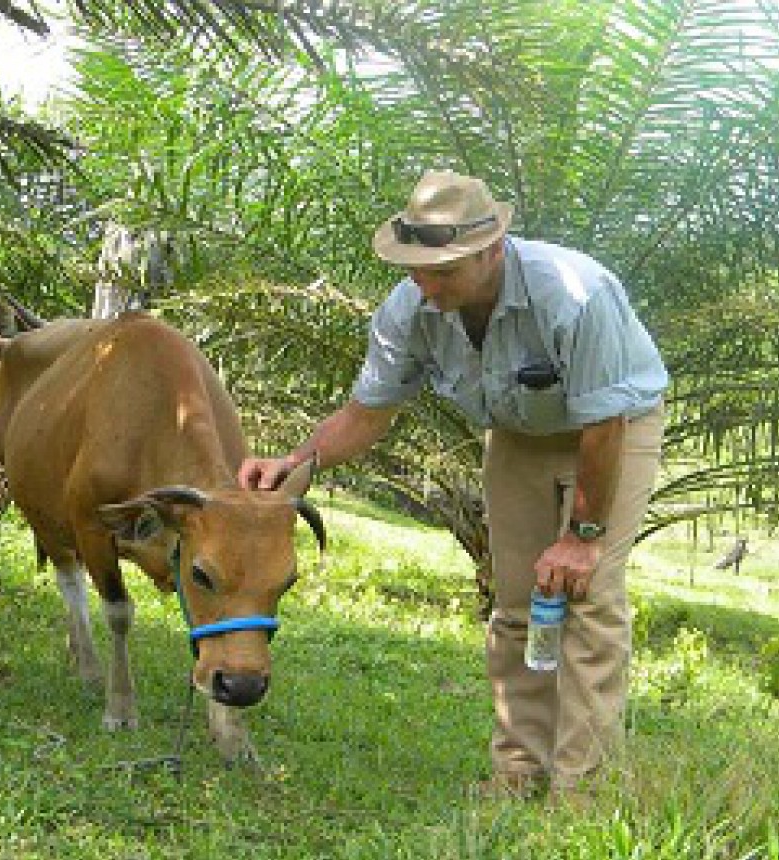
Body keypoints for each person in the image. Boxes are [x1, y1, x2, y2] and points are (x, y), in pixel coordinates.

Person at [237, 169, 668, 801]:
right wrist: (296, 462)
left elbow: (604, 422)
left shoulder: (575, 295)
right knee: (518, 605)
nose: (423, 282)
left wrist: (583, 535)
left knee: (589, 601)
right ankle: (517, 773)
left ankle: (583, 795)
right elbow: (366, 414)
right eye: (415, 267)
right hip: (518, 438)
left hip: (612, 432)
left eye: (440, 270)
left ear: (491, 251)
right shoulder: (409, 310)